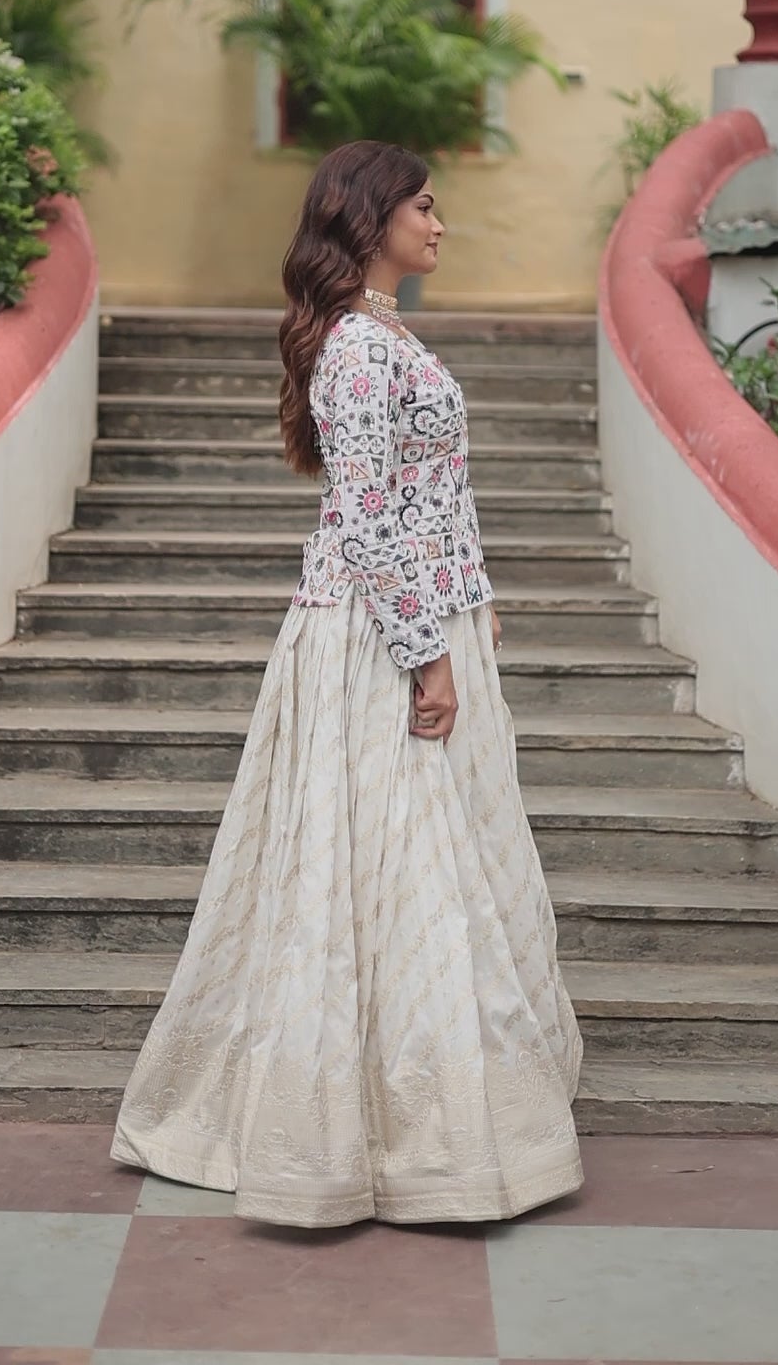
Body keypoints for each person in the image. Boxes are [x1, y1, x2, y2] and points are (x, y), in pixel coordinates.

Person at [111, 139, 583, 1226]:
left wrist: (476, 592)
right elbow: (365, 519)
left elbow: (428, 496)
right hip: (377, 638)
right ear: (372, 216)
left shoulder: (384, 334)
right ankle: (384, 1134)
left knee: (431, 865)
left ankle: (414, 1115)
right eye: (426, 205)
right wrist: (426, 649)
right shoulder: (359, 352)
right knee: (392, 868)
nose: (441, 222)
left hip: (424, 612)